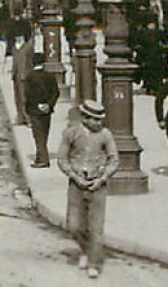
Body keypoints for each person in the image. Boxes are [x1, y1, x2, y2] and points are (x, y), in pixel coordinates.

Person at [59, 99, 118, 278]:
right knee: (74, 226)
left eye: (100, 119)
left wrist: (102, 178)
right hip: (76, 184)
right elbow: (62, 159)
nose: (98, 123)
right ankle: (86, 250)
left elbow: (114, 160)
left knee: (96, 228)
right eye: (94, 119)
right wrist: (75, 176)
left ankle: (94, 263)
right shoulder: (71, 133)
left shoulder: (105, 135)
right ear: (84, 118)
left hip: (97, 185)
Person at [24, 55, 60, 168]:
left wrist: (36, 105)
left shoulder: (29, 77)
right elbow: (56, 92)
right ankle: (40, 155)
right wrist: (49, 105)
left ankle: (43, 159)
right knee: (44, 133)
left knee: (38, 134)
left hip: (34, 109)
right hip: (47, 110)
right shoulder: (49, 76)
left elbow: (28, 94)